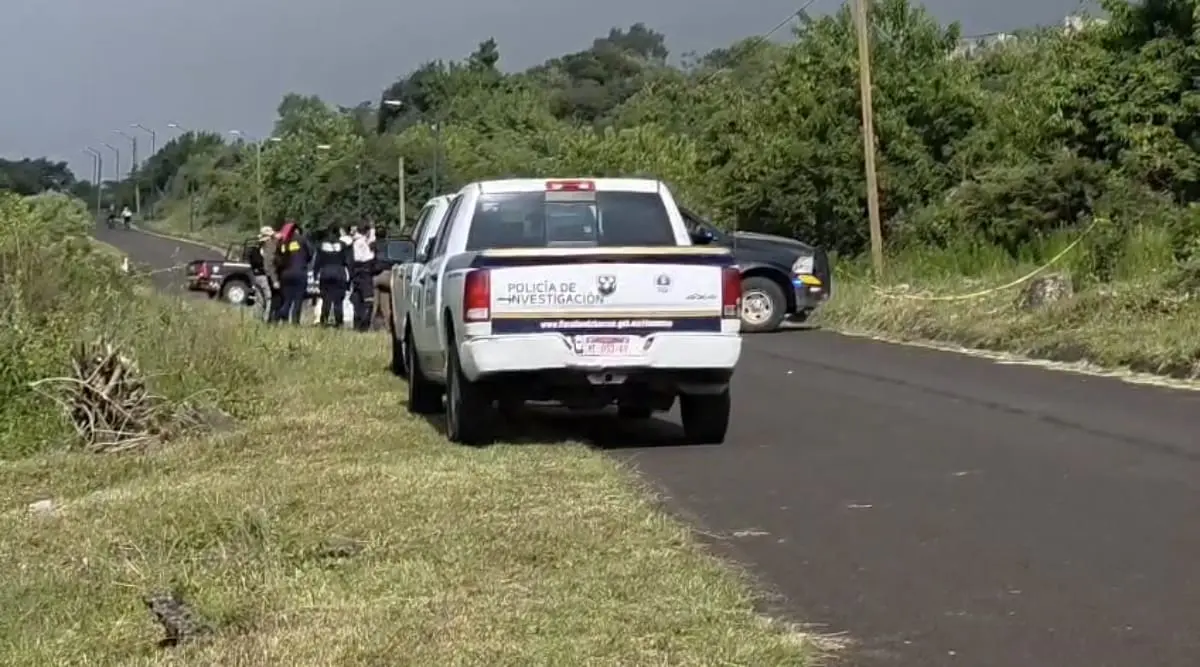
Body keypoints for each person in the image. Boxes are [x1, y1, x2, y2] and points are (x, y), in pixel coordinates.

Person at [273, 221, 311, 324]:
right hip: (299, 272)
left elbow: (277, 258)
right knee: (298, 299)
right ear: (297, 230)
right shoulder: (302, 240)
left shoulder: (283, 241)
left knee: (287, 299)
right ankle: (295, 322)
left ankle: (280, 316)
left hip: (286, 273)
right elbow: (309, 255)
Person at [312, 226, 351, 327]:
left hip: (325, 273)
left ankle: (324, 321)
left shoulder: (321, 245)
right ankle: (339, 322)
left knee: (326, 300)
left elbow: (317, 262)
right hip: (339, 274)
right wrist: (349, 278)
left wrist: (315, 275)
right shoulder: (343, 245)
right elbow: (348, 262)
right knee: (338, 301)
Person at [349, 223, 376, 331]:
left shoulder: (354, 242)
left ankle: (357, 324)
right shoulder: (366, 242)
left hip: (356, 272)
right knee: (368, 300)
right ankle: (364, 325)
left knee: (357, 299)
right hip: (366, 272)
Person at [249, 226, 277, 322]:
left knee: (259, 299)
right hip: (264, 277)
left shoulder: (254, 249)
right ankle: (267, 319)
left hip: (256, 276)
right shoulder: (266, 249)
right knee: (269, 298)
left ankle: (256, 319)